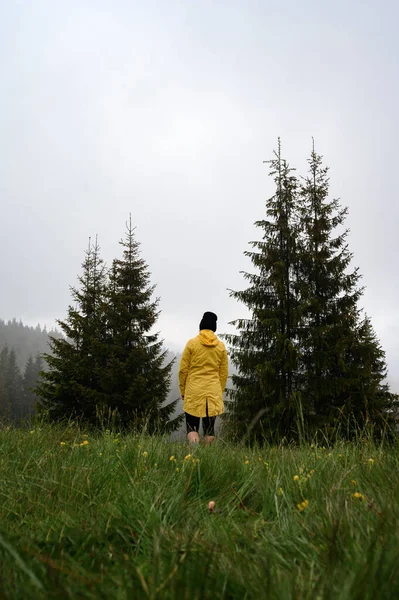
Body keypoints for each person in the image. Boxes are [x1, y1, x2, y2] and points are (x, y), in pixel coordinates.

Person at [178, 311, 228, 444]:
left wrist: (183, 390)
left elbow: (183, 370)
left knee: (192, 428)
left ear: (201, 324)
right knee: (209, 430)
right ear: (214, 327)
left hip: (194, 391)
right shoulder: (221, 347)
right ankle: (207, 459)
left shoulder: (192, 343)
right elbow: (223, 374)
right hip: (213, 393)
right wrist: (219, 392)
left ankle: (194, 456)